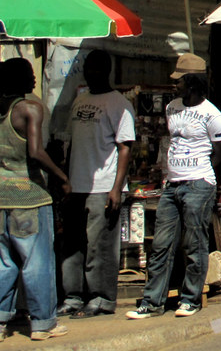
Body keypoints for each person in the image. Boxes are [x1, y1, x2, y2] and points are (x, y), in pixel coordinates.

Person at [127, 54, 221, 319]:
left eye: (179, 81)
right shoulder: (171, 107)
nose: (175, 85)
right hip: (171, 185)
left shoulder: (212, 115)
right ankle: (152, 302)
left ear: (192, 83)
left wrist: (201, 175)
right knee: (161, 244)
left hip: (198, 185)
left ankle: (190, 299)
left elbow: (220, 152)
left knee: (194, 244)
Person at [58, 50, 135, 318]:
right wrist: (67, 181)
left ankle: (101, 298)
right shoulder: (80, 101)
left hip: (103, 186)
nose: (90, 74)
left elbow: (125, 147)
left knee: (99, 246)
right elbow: (70, 143)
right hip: (77, 185)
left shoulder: (119, 104)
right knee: (73, 245)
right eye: (88, 69)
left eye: (96, 69)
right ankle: (73, 296)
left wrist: (116, 188)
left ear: (107, 71)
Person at [0, 58, 70, 341]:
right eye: (29, 73)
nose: (33, 78)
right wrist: (61, 177)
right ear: (19, 79)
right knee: (37, 261)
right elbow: (35, 152)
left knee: (5, 262)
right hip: (29, 196)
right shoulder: (30, 108)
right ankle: (43, 323)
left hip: (1, 196)